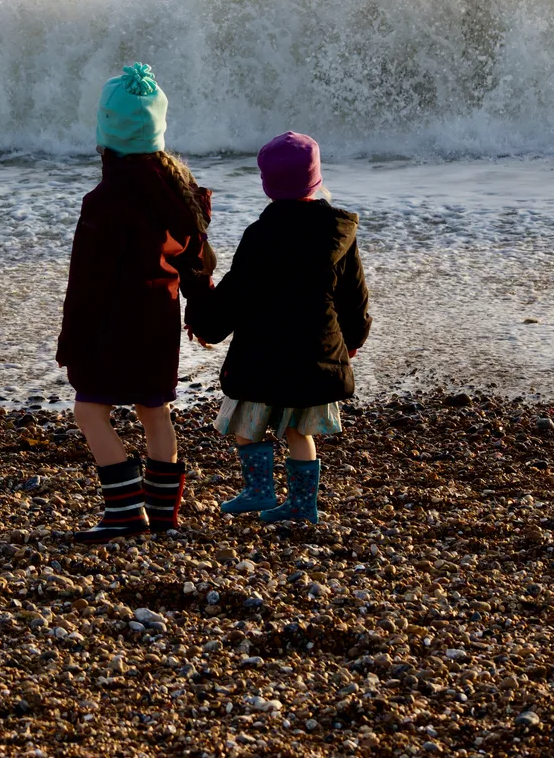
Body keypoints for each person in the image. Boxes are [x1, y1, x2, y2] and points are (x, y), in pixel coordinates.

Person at [55, 63, 214, 543]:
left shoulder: (105, 201)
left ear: (106, 133)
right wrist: (203, 311)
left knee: (89, 413)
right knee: (155, 410)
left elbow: (88, 283)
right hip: (159, 323)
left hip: (111, 326)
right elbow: (198, 264)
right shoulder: (181, 193)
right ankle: (163, 515)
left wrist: (72, 342)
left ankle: (125, 511)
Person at [185, 131, 370, 525]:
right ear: (316, 180)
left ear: (268, 186)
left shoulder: (261, 235)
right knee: (298, 433)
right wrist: (352, 341)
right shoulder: (339, 234)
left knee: (246, 426)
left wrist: (205, 325)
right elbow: (354, 297)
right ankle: (303, 505)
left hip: (261, 356)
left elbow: (237, 293)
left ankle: (259, 490)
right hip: (315, 355)